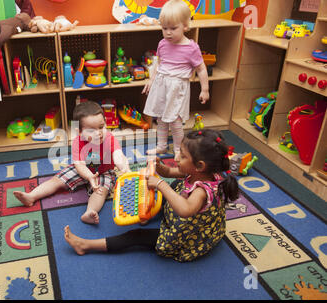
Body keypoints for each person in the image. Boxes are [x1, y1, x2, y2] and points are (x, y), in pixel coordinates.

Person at [64, 129, 239, 262]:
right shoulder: (202, 172)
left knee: (136, 235)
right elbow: (171, 172)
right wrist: (160, 167)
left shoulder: (201, 191)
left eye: (183, 156)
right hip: (191, 216)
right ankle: (148, 212)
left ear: (200, 166)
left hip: (187, 234)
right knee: (176, 185)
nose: (177, 157)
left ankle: (85, 245)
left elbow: (185, 210)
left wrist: (160, 185)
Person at [14, 100, 130, 224]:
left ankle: (90, 212)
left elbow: (118, 155)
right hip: (83, 168)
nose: (99, 133)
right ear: (79, 132)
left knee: (101, 191)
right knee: (57, 180)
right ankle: (31, 196)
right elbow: (79, 164)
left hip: (104, 172)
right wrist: (89, 176)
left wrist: (124, 168)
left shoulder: (109, 138)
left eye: (101, 127)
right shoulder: (78, 142)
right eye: (91, 130)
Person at [142, 0, 209, 159]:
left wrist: (204, 89)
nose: (168, 32)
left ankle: (179, 150)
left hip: (177, 87)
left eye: (173, 28)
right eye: (164, 28)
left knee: (175, 120)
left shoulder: (191, 47)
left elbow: (201, 68)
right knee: (160, 118)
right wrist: (151, 80)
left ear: (185, 26)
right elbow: (159, 63)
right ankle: (161, 146)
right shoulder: (162, 44)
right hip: (161, 84)